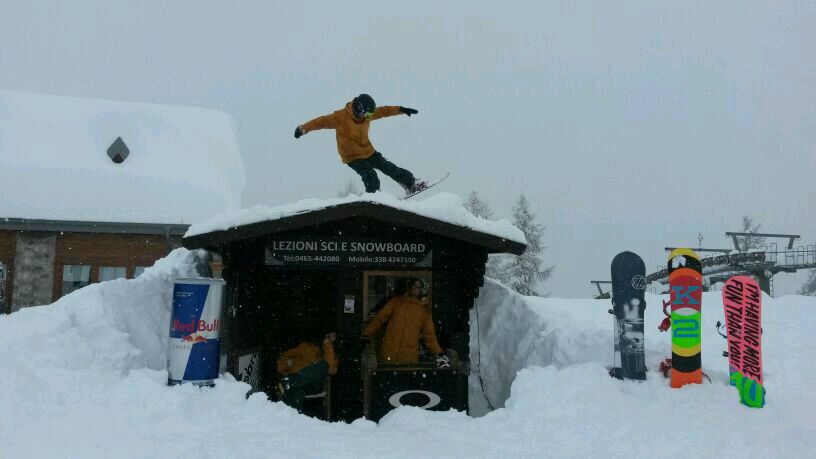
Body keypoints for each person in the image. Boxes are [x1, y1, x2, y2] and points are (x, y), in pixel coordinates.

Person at [294, 93, 427, 195]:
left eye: (370, 114)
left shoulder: (367, 116)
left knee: (388, 167)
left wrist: (402, 109)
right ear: (359, 108)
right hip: (352, 157)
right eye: (367, 113)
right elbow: (320, 122)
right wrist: (303, 128)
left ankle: (411, 184)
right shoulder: (340, 117)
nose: (368, 116)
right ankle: (374, 199)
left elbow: (384, 111)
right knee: (370, 175)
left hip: (368, 151)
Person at [361, 278, 450, 368]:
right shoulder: (396, 302)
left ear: (422, 290)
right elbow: (380, 318)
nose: (415, 288)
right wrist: (367, 333)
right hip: (388, 355)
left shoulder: (424, 311)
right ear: (410, 286)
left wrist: (439, 353)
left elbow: (430, 336)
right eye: (414, 285)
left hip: (408, 360)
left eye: (418, 287)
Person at [275, 332, 339, 412]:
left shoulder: (326, 353)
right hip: (298, 385)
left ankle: (290, 383)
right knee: (297, 392)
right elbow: (280, 366)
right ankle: (291, 419)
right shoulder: (299, 350)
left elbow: (330, 369)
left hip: (311, 384)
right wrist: (287, 368)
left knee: (324, 365)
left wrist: (327, 344)